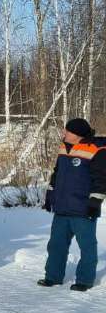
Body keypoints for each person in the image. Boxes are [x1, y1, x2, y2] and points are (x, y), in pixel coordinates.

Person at [38, 118, 105, 291]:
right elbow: (57, 174)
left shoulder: (96, 149)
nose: (63, 133)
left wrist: (95, 202)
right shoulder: (63, 148)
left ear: (76, 134)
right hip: (62, 208)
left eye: (67, 131)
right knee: (56, 245)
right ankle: (52, 277)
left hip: (83, 210)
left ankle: (84, 280)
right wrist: (50, 196)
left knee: (87, 247)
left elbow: (101, 180)